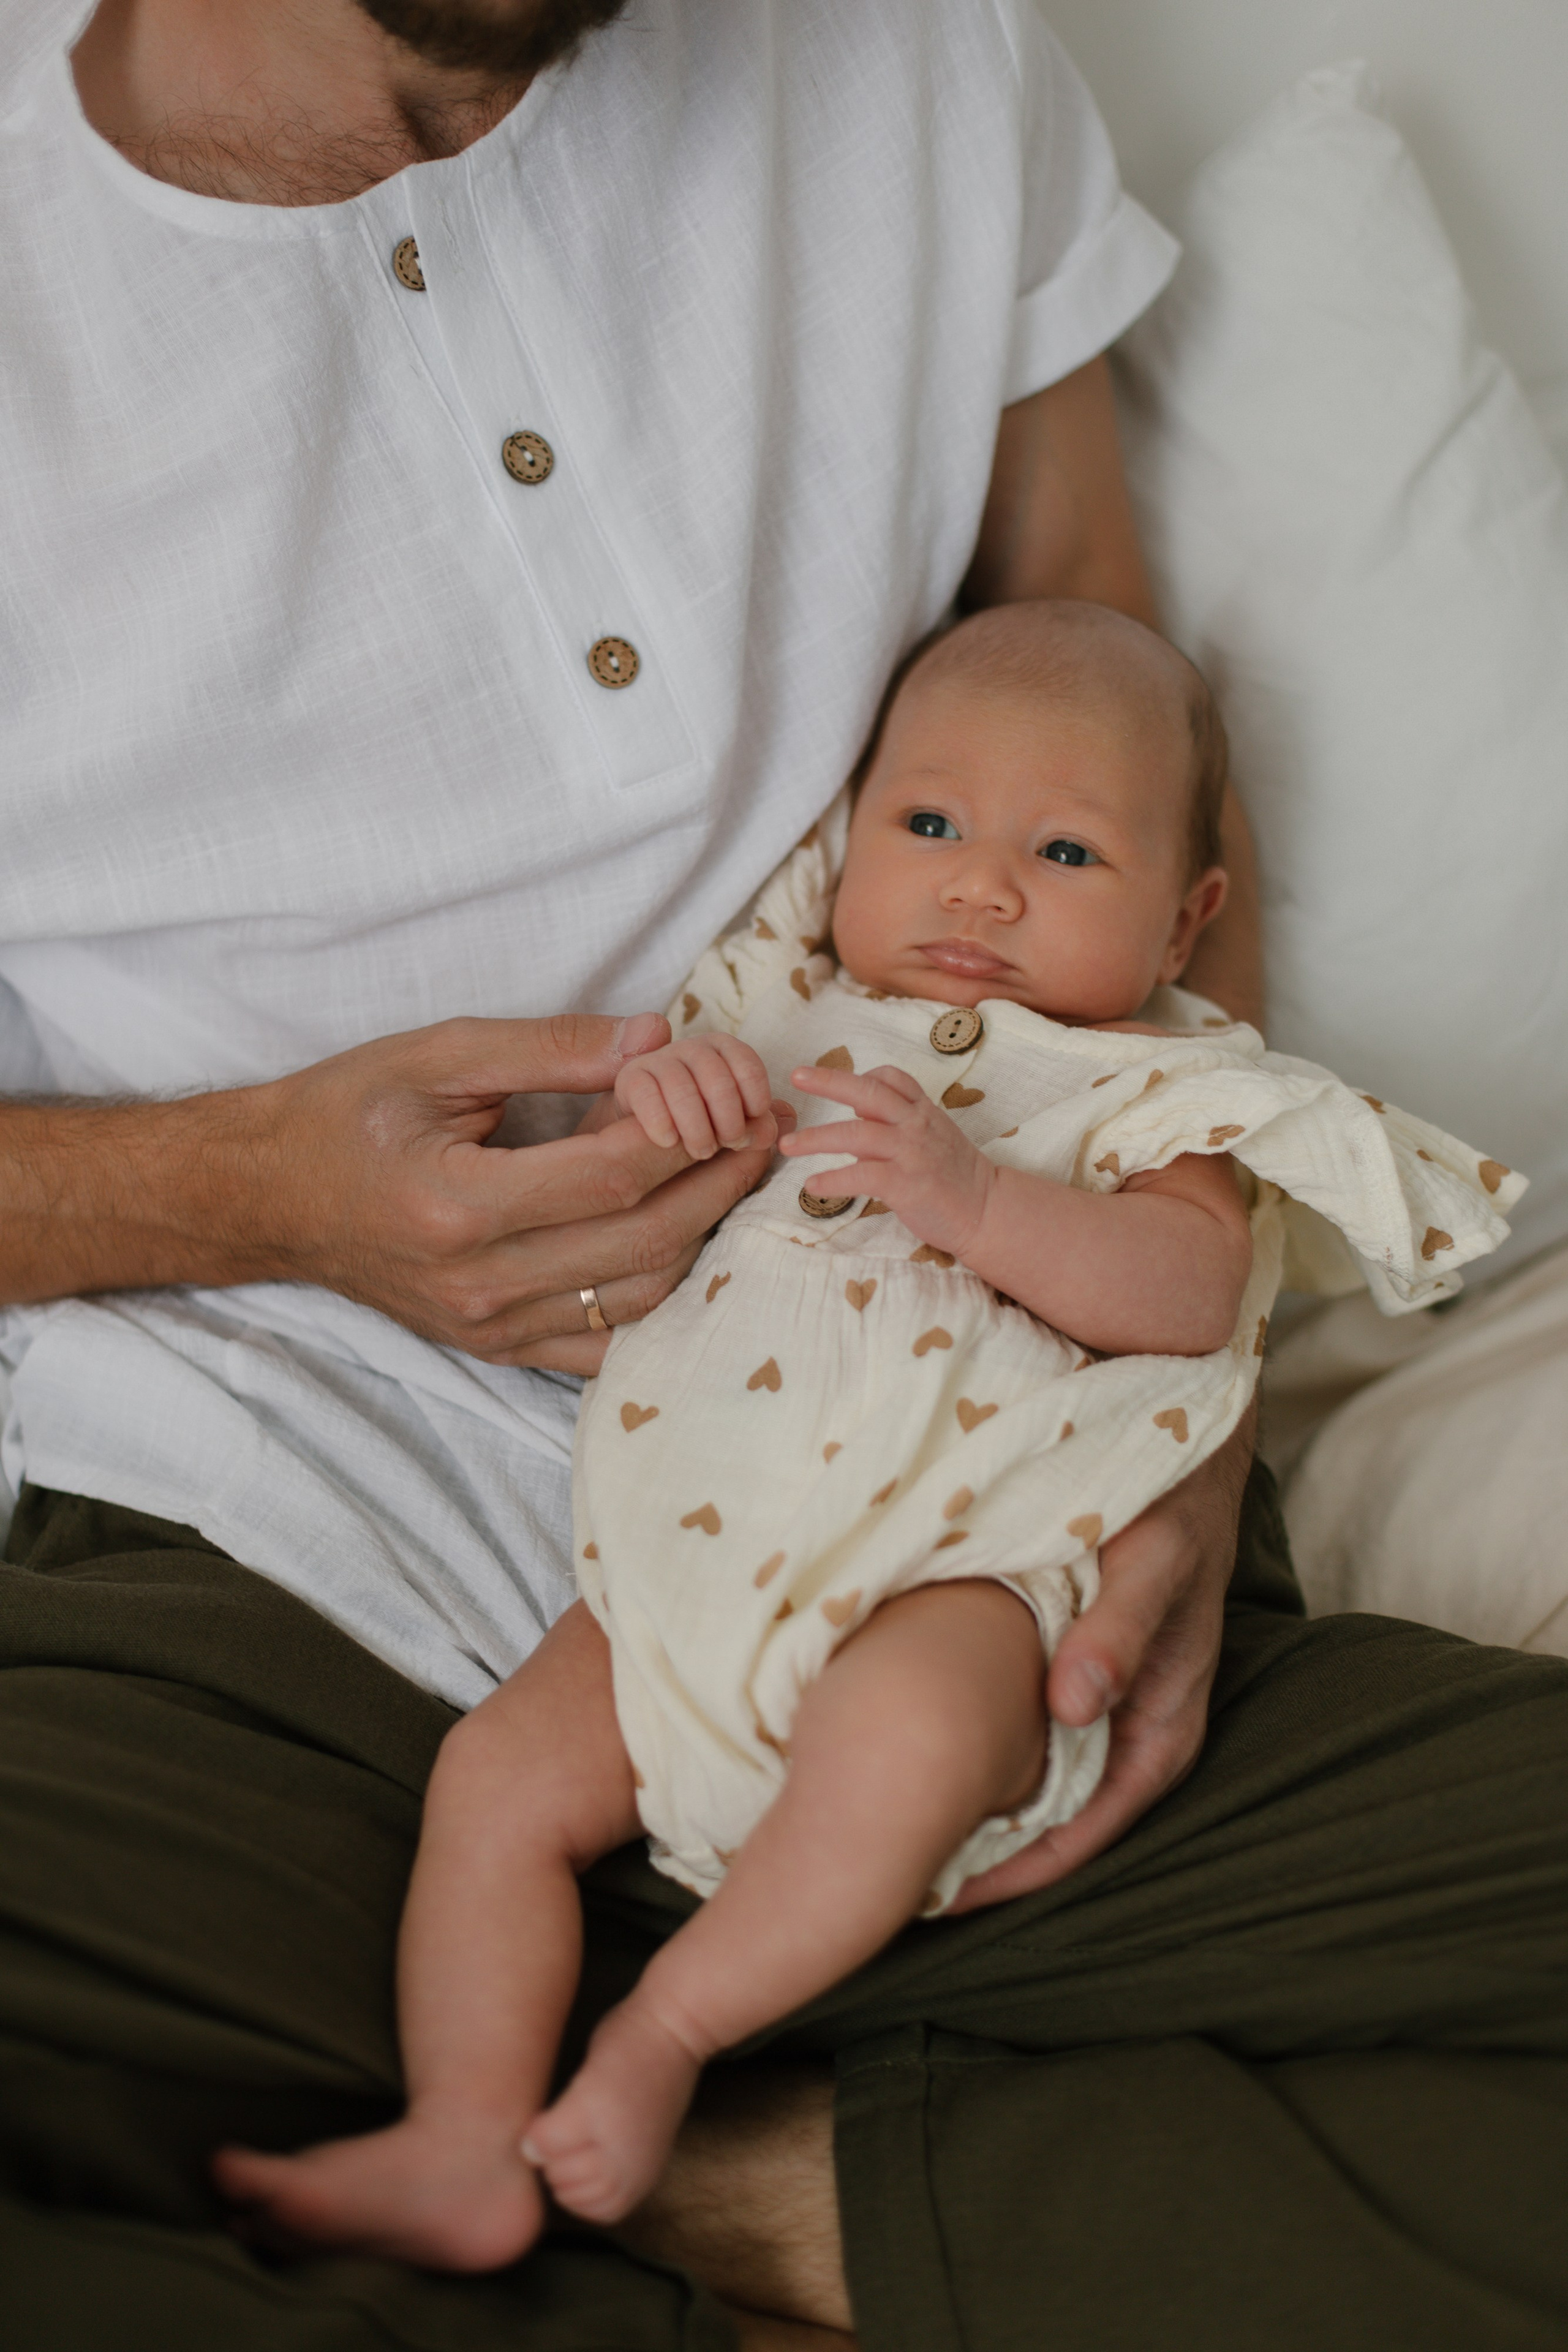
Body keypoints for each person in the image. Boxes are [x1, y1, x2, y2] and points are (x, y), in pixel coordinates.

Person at [2, 4, 1566, 2349]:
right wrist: (261, 1199)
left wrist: (1177, 1427)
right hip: (277, 1543)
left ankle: (726, 2184)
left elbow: (1110, 768)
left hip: (988, 1553)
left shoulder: (918, 45)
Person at [214, 600, 1517, 2273]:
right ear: (846, 845)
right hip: (691, 1554)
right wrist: (671, 1105)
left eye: (1063, 849)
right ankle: (459, 2135)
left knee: (900, 1742)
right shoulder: (783, 1004)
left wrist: (977, 1198)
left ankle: (667, 2040)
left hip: (960, 1556)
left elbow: (1192, 1293)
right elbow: (653, 1162)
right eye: (928, 827)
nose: (981, 886)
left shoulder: (1168, 1088)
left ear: (1189, 919)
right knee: (499, 1784)